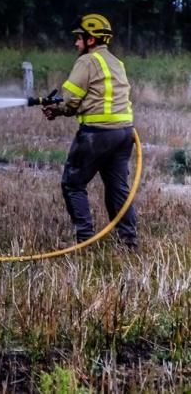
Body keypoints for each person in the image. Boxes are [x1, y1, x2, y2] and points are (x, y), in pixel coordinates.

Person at [42, 13, 138, 250]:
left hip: (97, 135)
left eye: (79, 38)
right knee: (118, 188)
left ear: (91, 39)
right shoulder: (117, 62)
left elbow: (71, 100)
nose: (76, 43)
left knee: (72, 183)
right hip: (124, 133)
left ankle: (84, 241)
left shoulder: (86, 61)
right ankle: (129, 243)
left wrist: (57, 109)